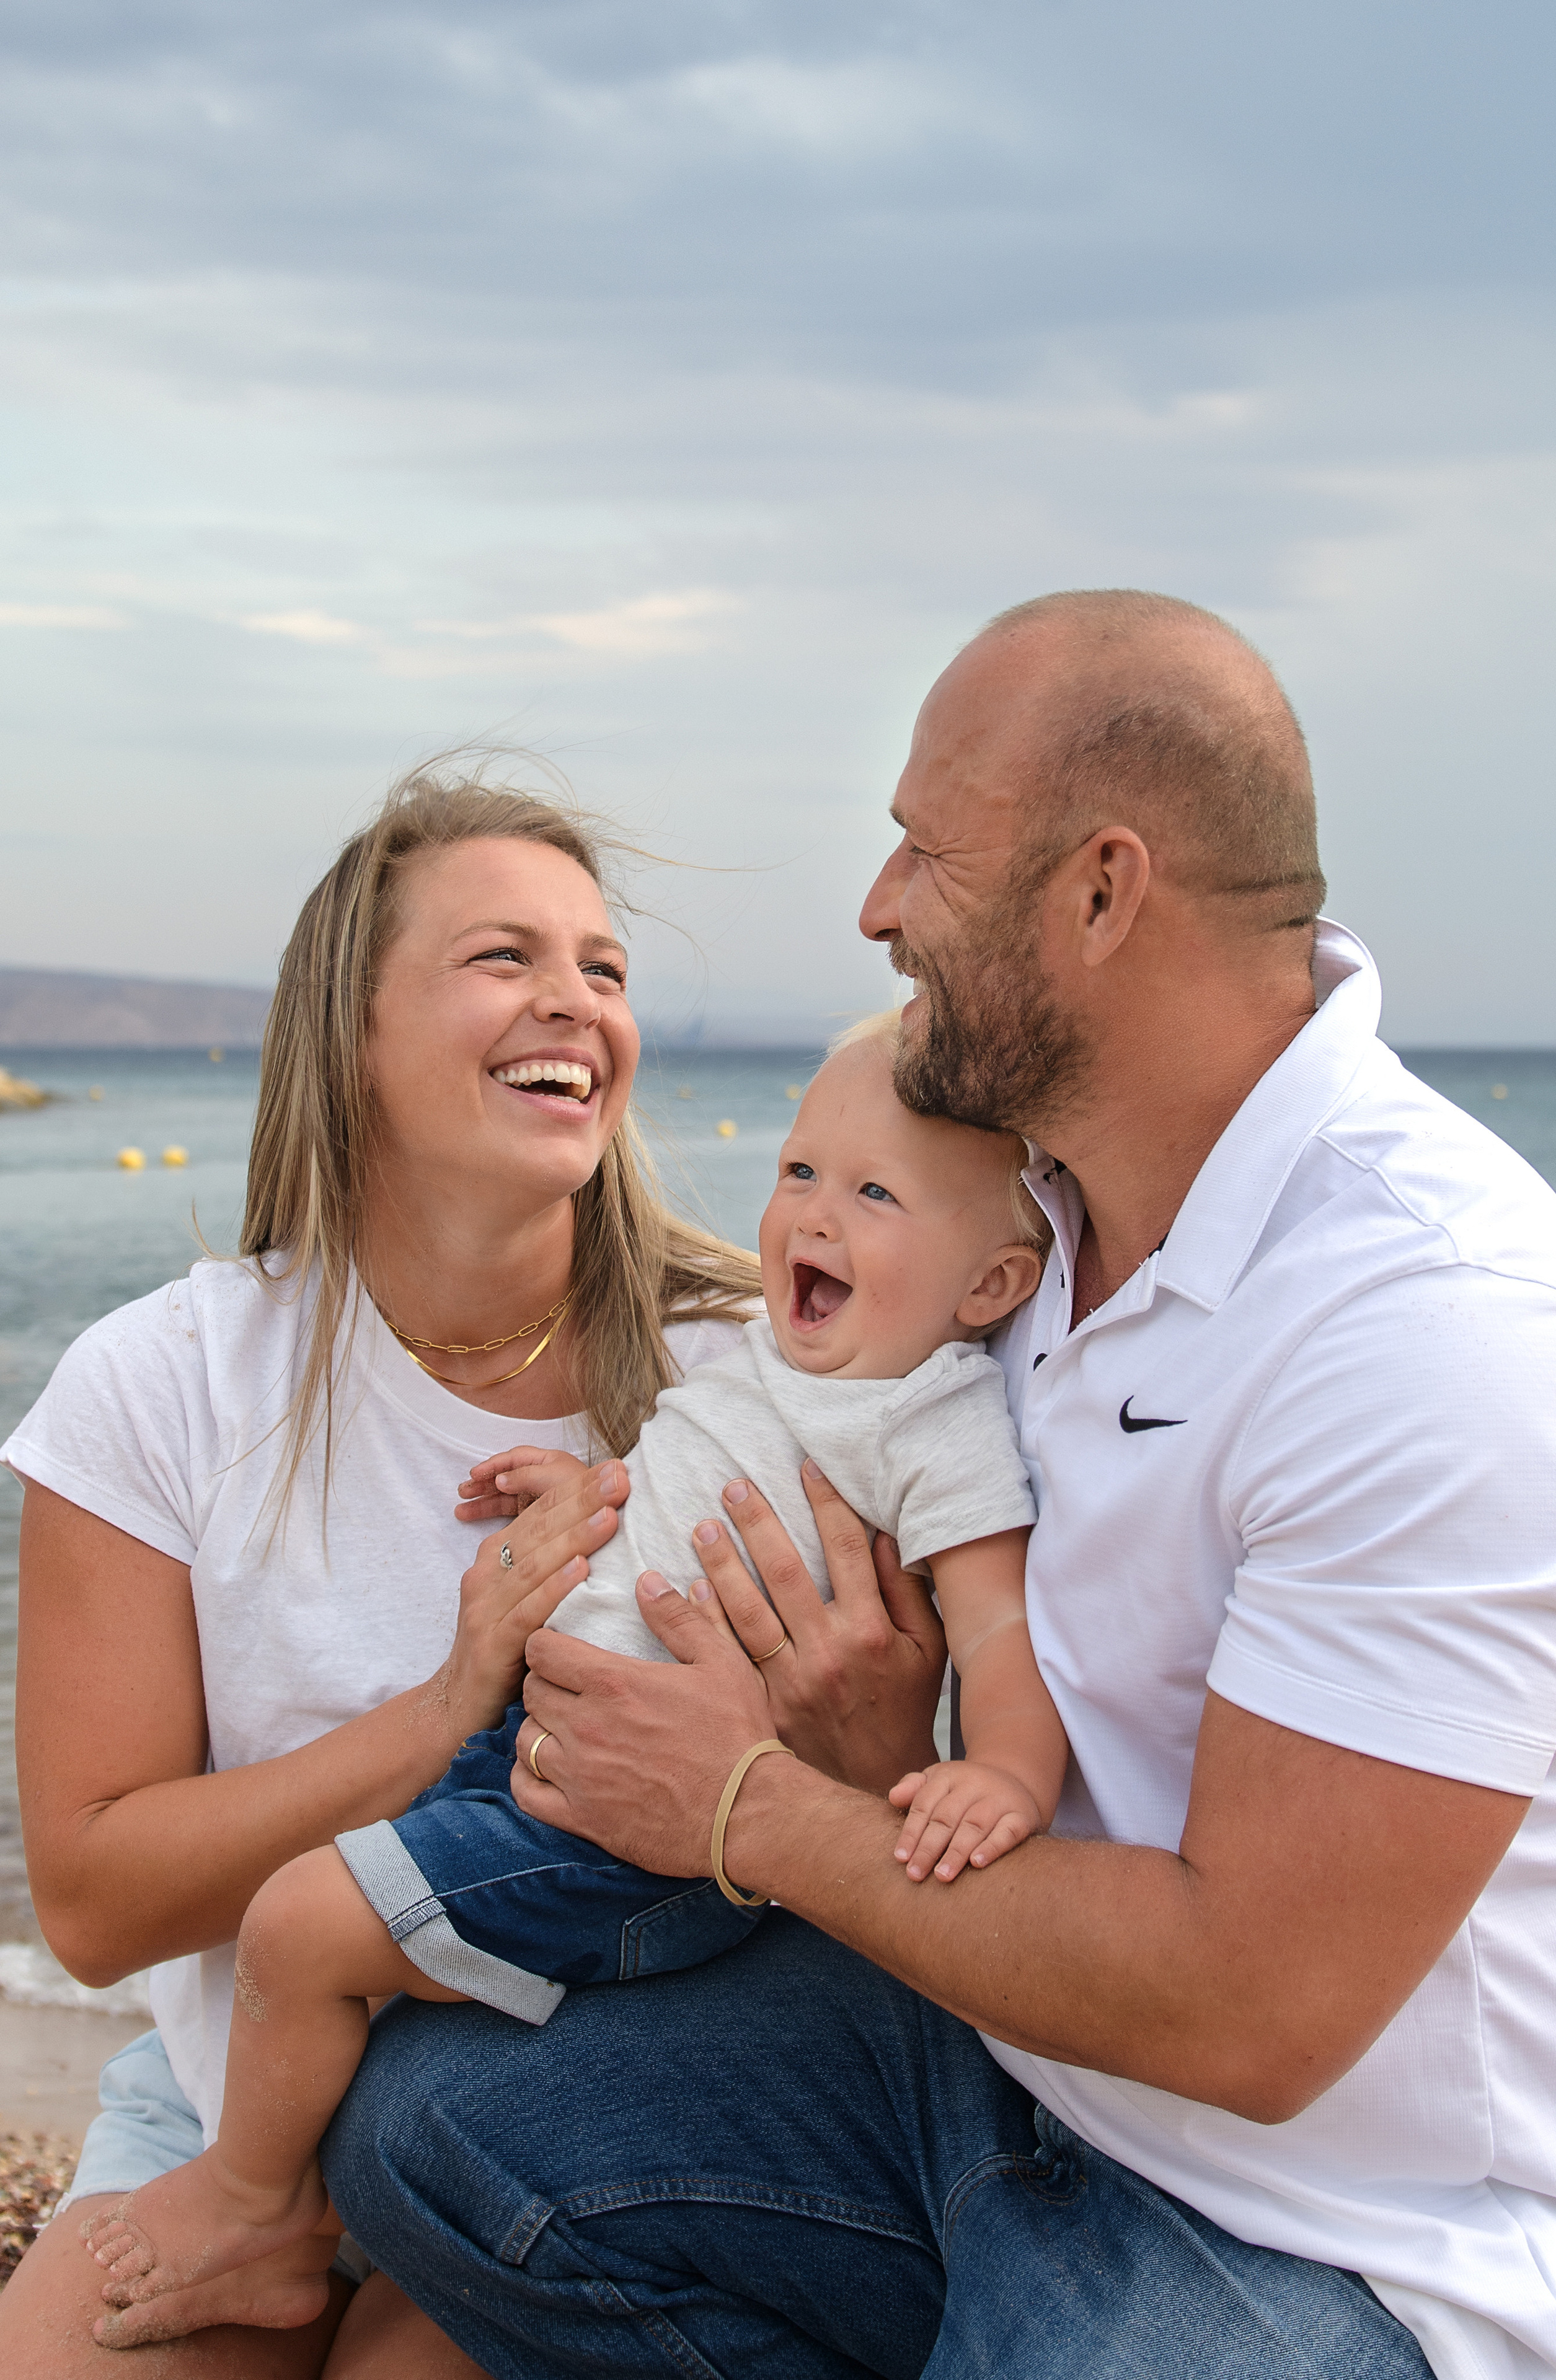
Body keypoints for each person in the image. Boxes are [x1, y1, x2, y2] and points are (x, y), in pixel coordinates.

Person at [324, 593, 1556, 2380]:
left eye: (927, 850)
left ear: (1101, 892)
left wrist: (747, 1808)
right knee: (435, 2134)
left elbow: (1256, 2012)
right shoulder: (1020, 1221)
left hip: (1337, 2228)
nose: (876, 905)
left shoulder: (1433, 1326)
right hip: (1004, 2060)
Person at [0, 768, 950, 2376]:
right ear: (349, 1032)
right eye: (505, 957)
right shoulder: (165, 1381)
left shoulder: (766, 1370)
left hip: (579, 2124)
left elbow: (879, 1796)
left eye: (603, 968)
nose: (574, 1000)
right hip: (237, 2095)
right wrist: (451, 1707)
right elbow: (94, 1906)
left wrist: (866, 1735)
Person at [77, 1017, 1068, 2326]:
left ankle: (259, 2209)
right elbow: (704, 1492)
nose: (813, 1215)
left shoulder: (933, 1423)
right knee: (338, 1936)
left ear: (991, 1285)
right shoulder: (773, 1357)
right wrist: (598, 1495)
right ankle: (305, 2186)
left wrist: (1006, 1771)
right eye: (798, 1171)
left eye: (874, 1194)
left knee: (300, 1925)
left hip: (633, 1840)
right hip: (550, 1767)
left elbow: (996, 1628)